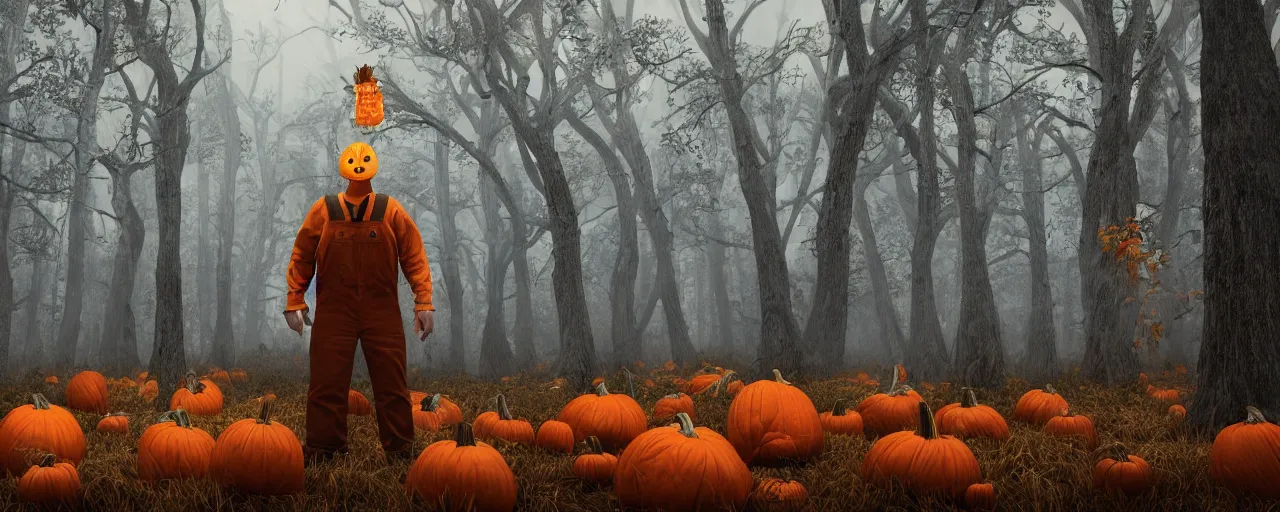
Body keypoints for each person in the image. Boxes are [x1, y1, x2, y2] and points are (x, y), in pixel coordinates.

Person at [283, 141, 434, 463]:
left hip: (382, 311)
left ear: (373, 164)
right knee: (326, 382)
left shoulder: (389, 209)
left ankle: (401, 452)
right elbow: (302, 255)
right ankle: (324, 450)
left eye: (365, 159)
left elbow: (414, 256)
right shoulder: (324, 209)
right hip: (334, 311)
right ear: (343, 166)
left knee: (392, 384)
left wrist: (424, 303)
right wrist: (294, 299)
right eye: (354, 160)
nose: (359, 165)